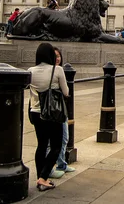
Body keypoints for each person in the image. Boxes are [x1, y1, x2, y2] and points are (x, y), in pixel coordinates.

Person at [28, 43, 69, 191]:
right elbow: (66, 92)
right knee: (56, 146)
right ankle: (43, 177)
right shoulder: (57, 70)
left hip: (35, 112)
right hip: (52, 113)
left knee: (41, 145)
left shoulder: (30, 71)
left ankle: (41, 178)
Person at [47, 47, 76, 179]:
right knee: (56, 139)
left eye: (59, 56)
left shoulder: (37, 70)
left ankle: (61, 164)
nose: (57, 58)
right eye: (55, 56)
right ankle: (49, 168)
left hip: (54, 109)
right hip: (55, 109)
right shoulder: (58, 70)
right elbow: (66, 91)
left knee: (63, 138)